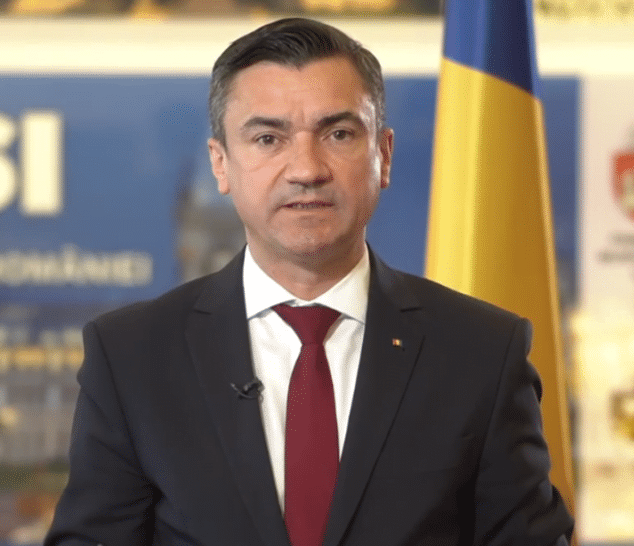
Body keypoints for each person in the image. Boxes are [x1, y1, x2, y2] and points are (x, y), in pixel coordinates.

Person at [45, 17, 574, 546]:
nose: (306, 169)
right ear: (221, 164)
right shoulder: (132, 357)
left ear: (383, 156)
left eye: (338, 134)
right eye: (268, 138)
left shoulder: (482, 353)